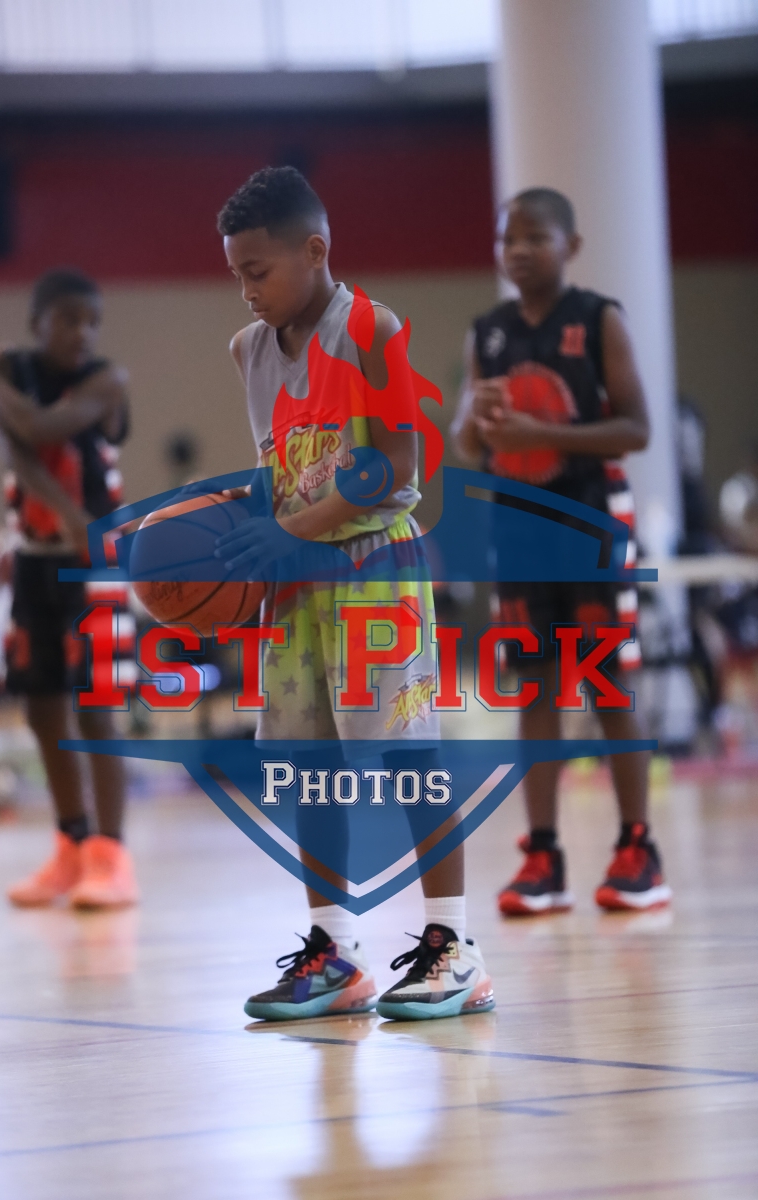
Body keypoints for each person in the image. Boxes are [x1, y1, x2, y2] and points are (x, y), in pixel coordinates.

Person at [216, 166, 493, 1020]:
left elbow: (398, 466)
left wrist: (289, 531)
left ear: (315, 250)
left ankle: (455, 948)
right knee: (307, 769)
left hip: (375, 564)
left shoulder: (370, 326)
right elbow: (278, 474)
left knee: (410, 761)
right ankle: (335, 951)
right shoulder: (249, 350)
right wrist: (230, 533)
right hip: (296, 580)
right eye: (236, 275)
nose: (247, 290)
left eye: (257, 271)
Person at [451, 187, 672, 915]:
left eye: (533, 238)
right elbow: (465, 440)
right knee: (535, 690)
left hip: (589, 521)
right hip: (518, 528)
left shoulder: (599, 318)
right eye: (506, 239)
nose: (517, 251)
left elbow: (637, 429)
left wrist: (544, 436)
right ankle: (542, 855)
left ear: (569, 247)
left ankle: (638, 848)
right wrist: (477, 422)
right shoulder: (487, 333)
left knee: (607, 681)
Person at [0, 268, 138, 909]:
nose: (83, 332)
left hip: (94, 564)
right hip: (34, 559)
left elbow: (40, 430)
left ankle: (111, 856)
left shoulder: (106, 379)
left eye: (92, 321)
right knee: (41, 706)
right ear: (37, 323)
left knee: (97, 705)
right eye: (69, 319)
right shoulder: (16, 372)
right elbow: (15, 454)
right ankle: (71, 845)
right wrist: (62, 512)